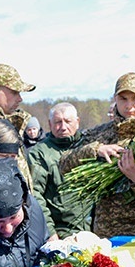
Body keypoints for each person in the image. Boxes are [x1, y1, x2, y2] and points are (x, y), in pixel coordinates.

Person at [60, 72, 135, 243]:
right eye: (123, 99)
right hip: (107, 234)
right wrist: (95, 149)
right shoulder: (100, 134)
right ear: (115, 99)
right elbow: (64, 165)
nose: (129, 105)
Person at [27, 102, 90, 240]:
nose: (63, 127)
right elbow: (35, 194)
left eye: (68, 121)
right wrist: (50, 232)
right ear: (49, 124)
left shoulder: (91, 146)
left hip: (94, 231)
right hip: (63, 233)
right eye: (57, 122)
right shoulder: (39, 153)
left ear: (77, 122)